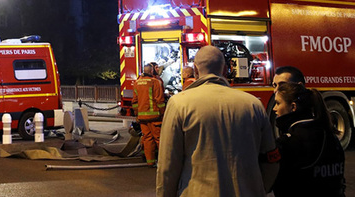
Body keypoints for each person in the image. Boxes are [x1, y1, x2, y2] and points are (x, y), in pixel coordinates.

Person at [156, 45, 280, 197]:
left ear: (195, 69)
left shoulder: (178, 104)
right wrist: (258, 189)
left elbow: (168, 165)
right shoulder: (253, 104)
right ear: (225, 69)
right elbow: (271, 159)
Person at [272, 82, 345, 196]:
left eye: (277, 103)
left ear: (293, 107)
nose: (274, 109)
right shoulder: (331, 137)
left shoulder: (288, 142)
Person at [133, 63, 166, 167]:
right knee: (159, 139)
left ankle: (150, 162)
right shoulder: (155, 82)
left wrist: (137, 115)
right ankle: (163, 162)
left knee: (147, 139)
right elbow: (159, 100)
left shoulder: (137, 83)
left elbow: (134, 101)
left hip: (142, 117)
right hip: (155, 116)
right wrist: (163, 113)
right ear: (152, 71)